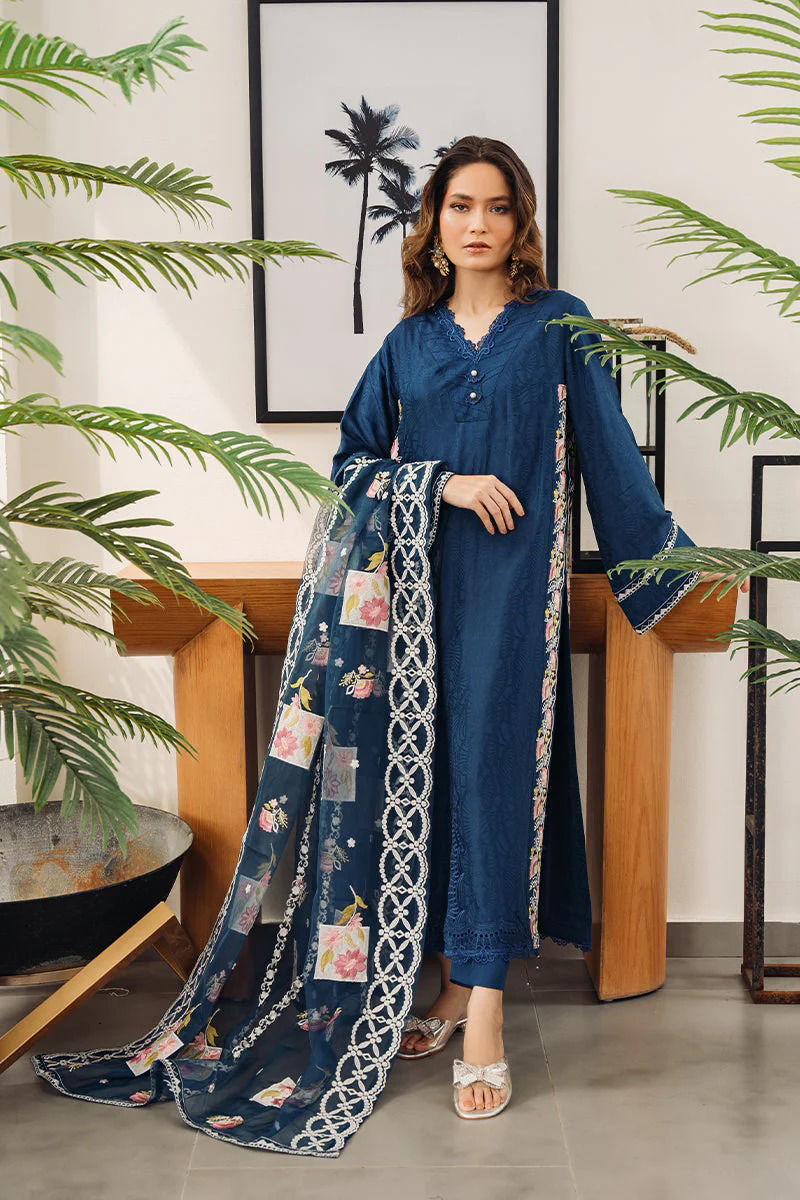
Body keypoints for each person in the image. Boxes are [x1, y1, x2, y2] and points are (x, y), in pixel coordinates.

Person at [329, 135, 749, 1119]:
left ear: (520, 223)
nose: (476, 223)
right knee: (428, 781)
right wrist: (441, 483)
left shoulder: (557, 325)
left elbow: (608, 448)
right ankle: (446, 984)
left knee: (490, 777)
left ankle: (483, 1010)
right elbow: (350, 465)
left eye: (496, 206)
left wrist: (665, 564)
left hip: (516, 599)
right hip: (416, 602)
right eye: (459, 206)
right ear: (433, 223)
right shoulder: (408, 345)